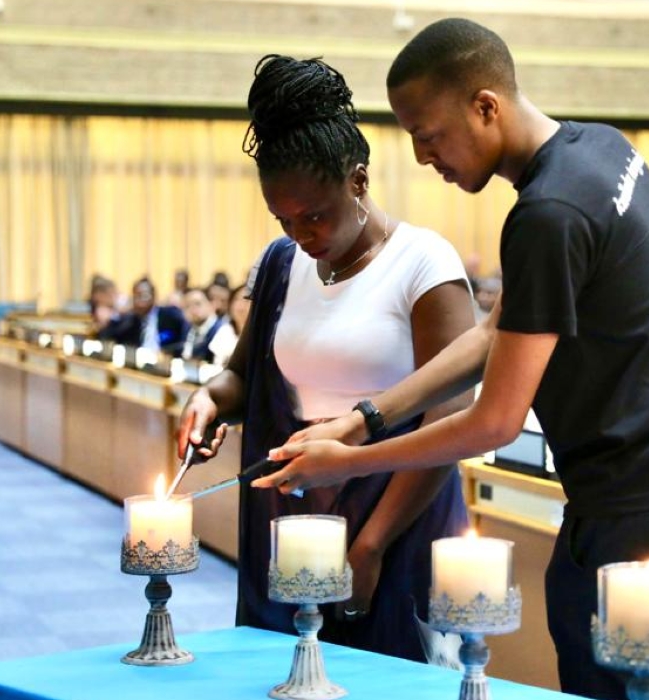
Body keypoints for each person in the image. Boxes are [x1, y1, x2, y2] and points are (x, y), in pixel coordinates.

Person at [257, 19, 649, 700]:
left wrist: (347, 463)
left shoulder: (547, 214)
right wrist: (365, 418)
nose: (421, 156)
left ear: (486, 106)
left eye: (428, 134)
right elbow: (498, 331)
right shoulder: (603, 150)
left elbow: (495, 422)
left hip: (645, 505)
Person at [177, 54, 475, 663]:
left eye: (314, 215)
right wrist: (208, 398)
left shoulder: (423, 263)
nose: (299, 234)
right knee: (286, 670)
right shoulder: (282, 263)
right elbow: (243, 376)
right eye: (283, 218)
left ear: (358, 181)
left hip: (396, 503)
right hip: (294, 508)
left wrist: (370, 546)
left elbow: (451, 421)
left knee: (386, 672)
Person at [97, 277, 189, 355]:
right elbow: (106, 336)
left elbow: (185, 338)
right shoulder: (130, 320)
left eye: (145, 296)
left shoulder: (170, 316)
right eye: (137, 296)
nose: (141, 301)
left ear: (154, 296)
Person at [180, 287, 234, 365]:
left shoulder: (223, 330)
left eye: (197, 304)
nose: (192, 309)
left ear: (211, 304)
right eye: (187, 306)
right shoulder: (187, 328)